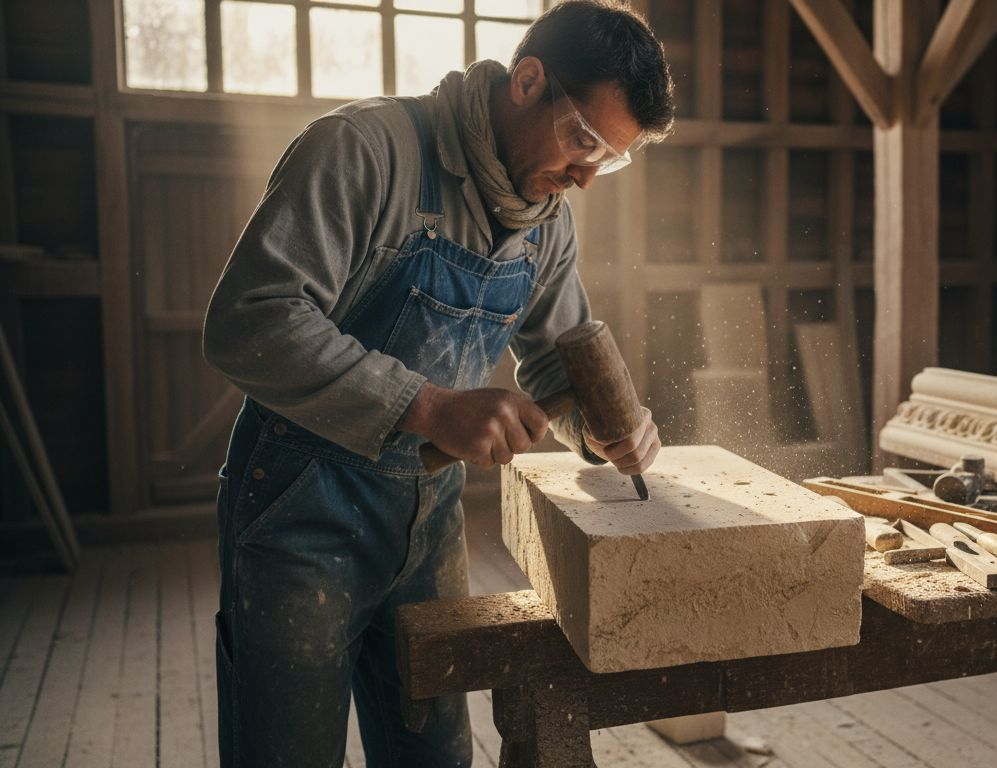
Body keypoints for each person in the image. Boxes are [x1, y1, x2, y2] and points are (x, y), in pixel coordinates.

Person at [202, 2, 673, 765]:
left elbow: (560, 363)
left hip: (426, 521)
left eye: (610, 160)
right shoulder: (364, 150)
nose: (587, 178)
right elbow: (249, 320)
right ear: (527, 81)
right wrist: (427, 406)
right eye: (585, 141)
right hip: (300, 512)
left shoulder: (546, 219)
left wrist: (597, 429)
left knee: (436, 752)